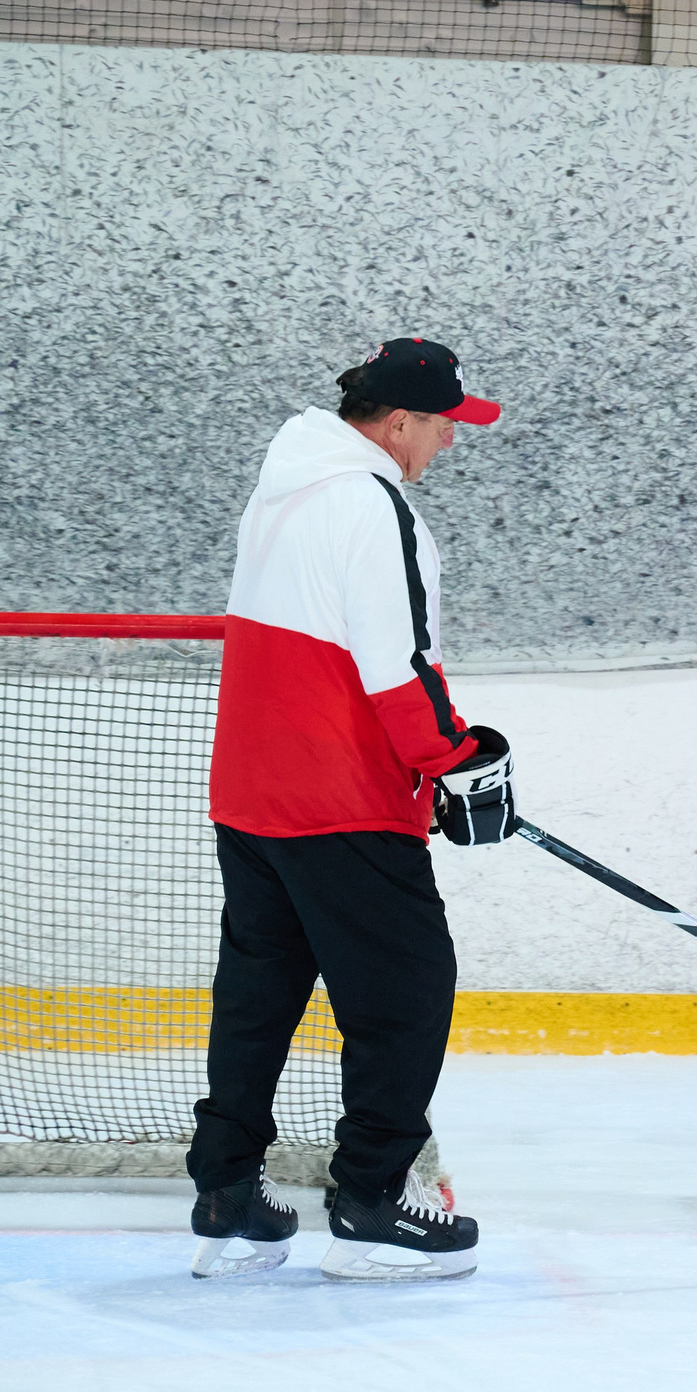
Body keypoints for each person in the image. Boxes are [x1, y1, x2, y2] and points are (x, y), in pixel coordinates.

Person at [188, 338, 510, 1280]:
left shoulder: (280, 491)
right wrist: (457, 758)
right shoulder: (374, 506)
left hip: (252, 793)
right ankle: (372, 1201)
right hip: (342, 799)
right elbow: (397, 660)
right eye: (445, 425)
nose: (450, 442)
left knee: (259, 996)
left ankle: (226, 1194)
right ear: (399, 421)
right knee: (407, 995)